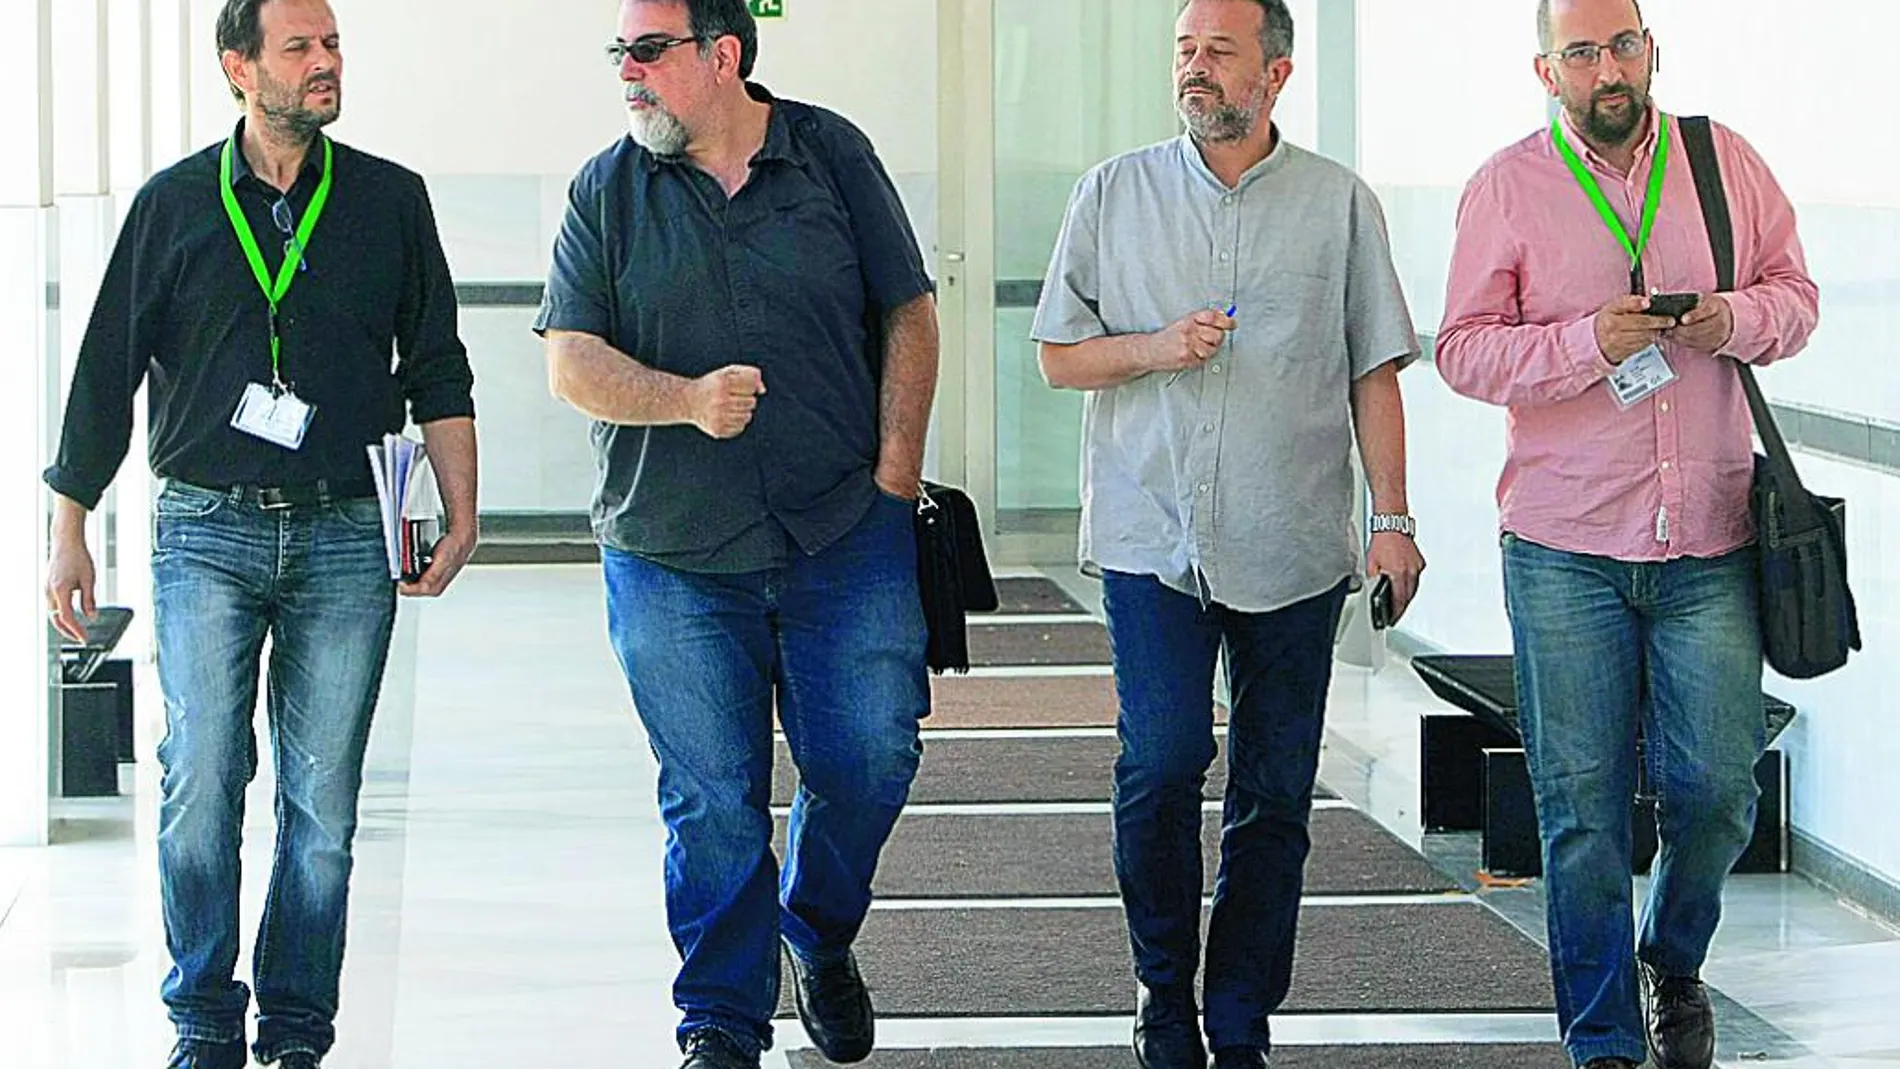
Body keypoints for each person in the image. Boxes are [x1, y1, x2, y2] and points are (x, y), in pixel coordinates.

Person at [41, 1, 480, 1066]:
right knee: (200, 776)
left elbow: (435, 364)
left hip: (344, 533)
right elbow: (105, 373)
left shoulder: (387, 200)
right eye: (301, 49)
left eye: (332, 45)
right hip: (204, 533)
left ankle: (293, 1028)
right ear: (241, 70)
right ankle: (201, 1016)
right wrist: (69, 528)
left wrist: (461, 505)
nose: (327, 63)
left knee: (321, 800)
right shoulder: (172, 206)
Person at [535, 1, 939, 1066]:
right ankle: (720, 1019)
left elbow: (910, 311)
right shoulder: (606, 190)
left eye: (649, 51)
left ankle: (818, 930)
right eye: (619, 52)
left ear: (722, 57)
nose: (627, 71)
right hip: (670, 550)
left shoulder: (829, 152)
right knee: (711, 798)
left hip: (841, 529)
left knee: (869, 758)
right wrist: (683, 398)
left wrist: (896, 476)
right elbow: (568, 360)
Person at [1031, 1, 1425, 1065]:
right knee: (1161, 761)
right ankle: (1165, 991)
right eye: (1184, 52)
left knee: (1274, 792)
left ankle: (1240, 1016)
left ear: (1277, 72)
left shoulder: (1338, 204)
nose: (1196, 70)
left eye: (1219, 52)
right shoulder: (1112, 194)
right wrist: (1156, 347)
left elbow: (1373, 371)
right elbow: (1058, 356)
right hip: (1149, 535)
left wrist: (1390, 518)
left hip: (1292, 541)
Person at [1435, 1, 1819, 1066]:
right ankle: (1600, 1038)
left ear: (1649, 52)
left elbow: (1795, 296)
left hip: (1712, 542)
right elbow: (1464, 351)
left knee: (1714, 792)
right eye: (1582, 51)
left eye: (1623, 45)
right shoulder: (1505, 186)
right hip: (1563, 546)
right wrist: (1582, 343)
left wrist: (1731, 320)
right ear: (1543, 69)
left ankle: (1674, 958)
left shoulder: (1721, 161)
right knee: (1580, 808)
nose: (1607, 68)